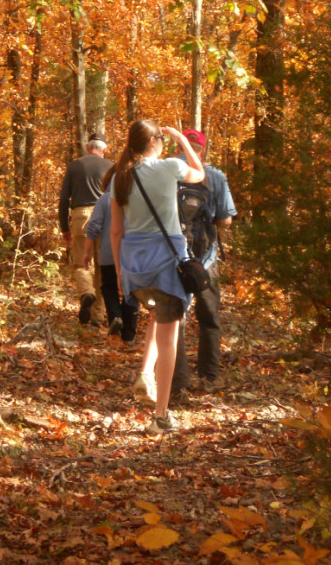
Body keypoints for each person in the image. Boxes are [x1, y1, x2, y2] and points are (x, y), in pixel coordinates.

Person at [110, 120, 204, 433]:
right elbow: (199, 174)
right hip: (167, 266)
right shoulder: (169, 168)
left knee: (155, 319)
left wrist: (122, 275)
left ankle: (145, 374)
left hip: (136, 270)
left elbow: (117, 230)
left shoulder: (121, 176)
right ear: (156, 142)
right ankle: (161, 415)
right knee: (169, 340)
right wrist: (183, 140)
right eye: (163, 139)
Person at [172, 129, 237, 395]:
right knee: (209, 315)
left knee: (176, 316)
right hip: (206, 257)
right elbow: (225, 219)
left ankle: (178, 380)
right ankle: (209, 373)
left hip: (174, 254)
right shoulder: (216, 177)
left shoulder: (168, 172)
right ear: (203, 150)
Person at [58, 132, 113, 326]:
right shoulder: (111, 167)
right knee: (102, 267)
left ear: (88, 147)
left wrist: (64, 227)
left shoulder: (75, 165)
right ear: (104, 149)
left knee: (81, 264)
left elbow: (64, 199)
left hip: (81, 216)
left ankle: (86, 293)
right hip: (107, 217)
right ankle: (97, 317)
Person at [82, 178, 139, 343]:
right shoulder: (138, 200)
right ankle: (128, 336)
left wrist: (86, 252)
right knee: (132, 291)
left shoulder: (104, 199)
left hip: (108, 253)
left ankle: (115, 316)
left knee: (109, 288)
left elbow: (93, 226)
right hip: (133, 254)